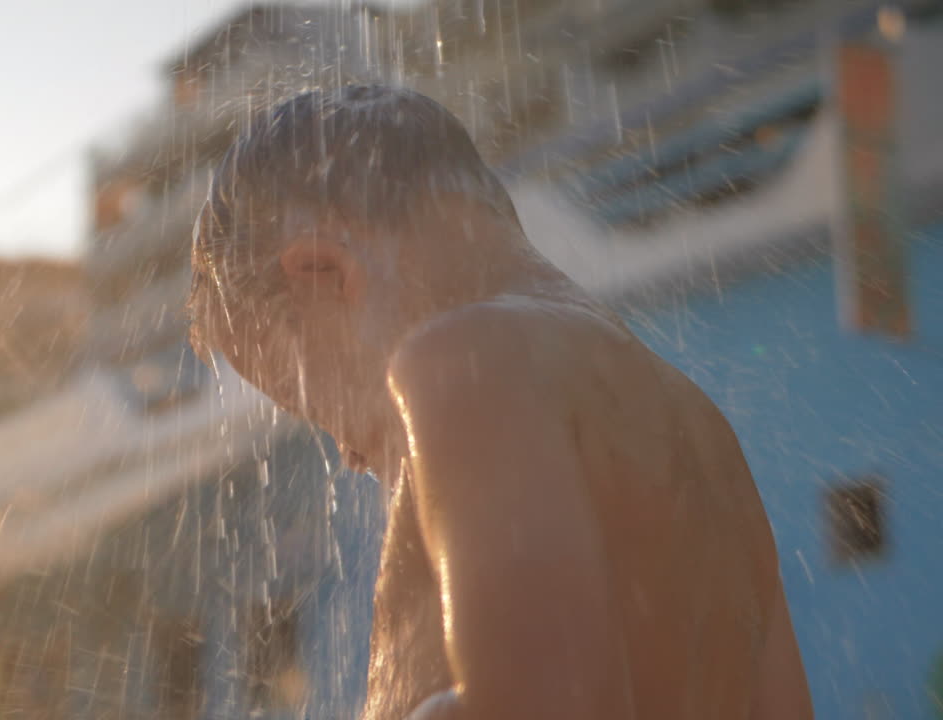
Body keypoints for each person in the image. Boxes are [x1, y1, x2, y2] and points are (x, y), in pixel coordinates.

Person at [186, 84, 812, 720]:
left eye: (312, 402)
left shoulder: (462, 363)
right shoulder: (699, 427)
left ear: (323, 270)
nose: (345, 452)